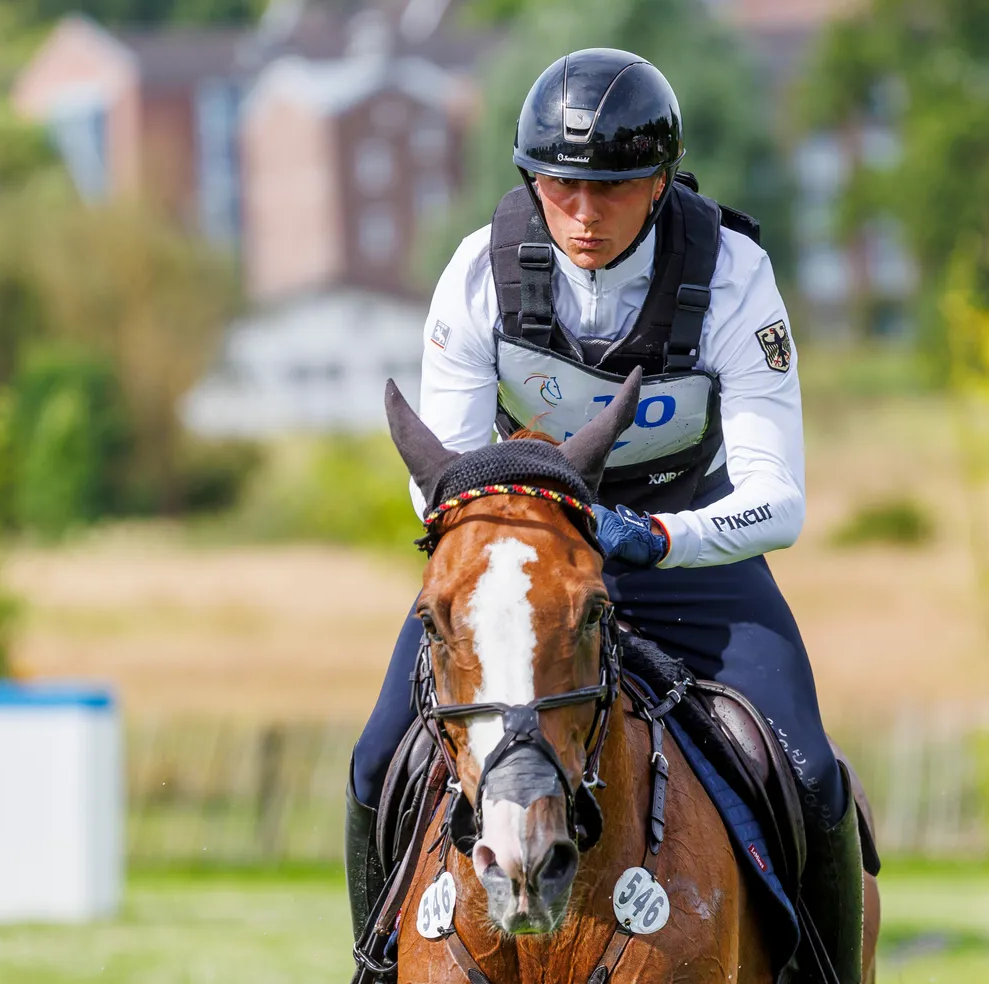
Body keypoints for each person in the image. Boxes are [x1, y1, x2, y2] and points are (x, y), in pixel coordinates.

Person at [347, 47, 867, 982]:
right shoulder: (479, 274)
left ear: (661, 181)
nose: (584, 215)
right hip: (531, 559)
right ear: (530, 180)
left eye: (615, 189)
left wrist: (657, 539)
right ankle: (374, 965)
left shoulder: (734, 275)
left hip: (692, 553)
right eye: (559, 187)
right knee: (375, 758)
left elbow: (776, 498)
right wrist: (550, 525)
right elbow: (443, 490)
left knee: (813, 772)